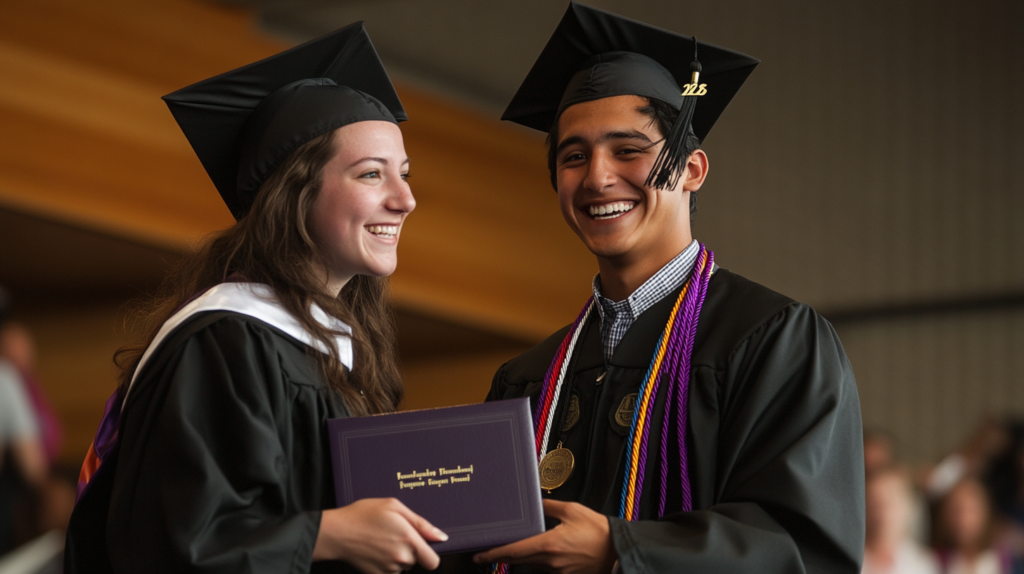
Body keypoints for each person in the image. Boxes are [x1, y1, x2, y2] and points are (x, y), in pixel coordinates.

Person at [473, 3, 865, 573]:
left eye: (628, 150)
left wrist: (622, 551)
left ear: (692, 170)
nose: (599, 177)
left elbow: (806, 548)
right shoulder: (528, 377)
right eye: (573, 156)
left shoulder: (773, 342)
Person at [64, 23, 447, 574]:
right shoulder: (225, 341)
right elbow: (174, 542)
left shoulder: (328, 353)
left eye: (405, 175)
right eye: (372, 174)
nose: (406, 199)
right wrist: (327, 534)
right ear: (295, 190)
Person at [862, 466, 939, 574]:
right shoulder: (845, 562)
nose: (884, 511)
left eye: (891, 500)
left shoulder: (922, 564)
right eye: (874, 502)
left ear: (908, 505)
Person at [935, 478, 1010, 574]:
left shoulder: (1004, 559)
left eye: (971, 511)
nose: (963, 520)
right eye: (956, 511)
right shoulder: (936, 560)